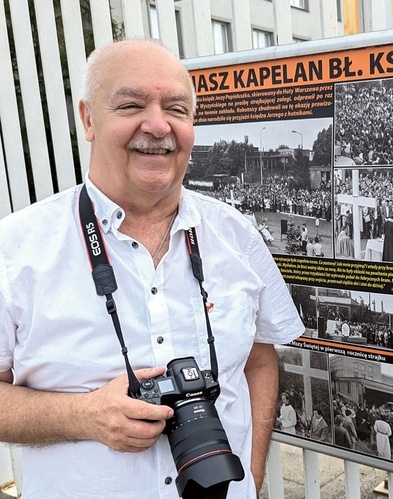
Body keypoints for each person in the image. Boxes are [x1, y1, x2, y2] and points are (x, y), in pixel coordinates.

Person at [0, 40, 304, 499]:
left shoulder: (236, 234)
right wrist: (82, 416)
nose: (158, 125)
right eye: (131, 104)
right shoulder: (15, 248)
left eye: (176, 109)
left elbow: (260, 360)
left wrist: (254, 473)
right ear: (88, 119)